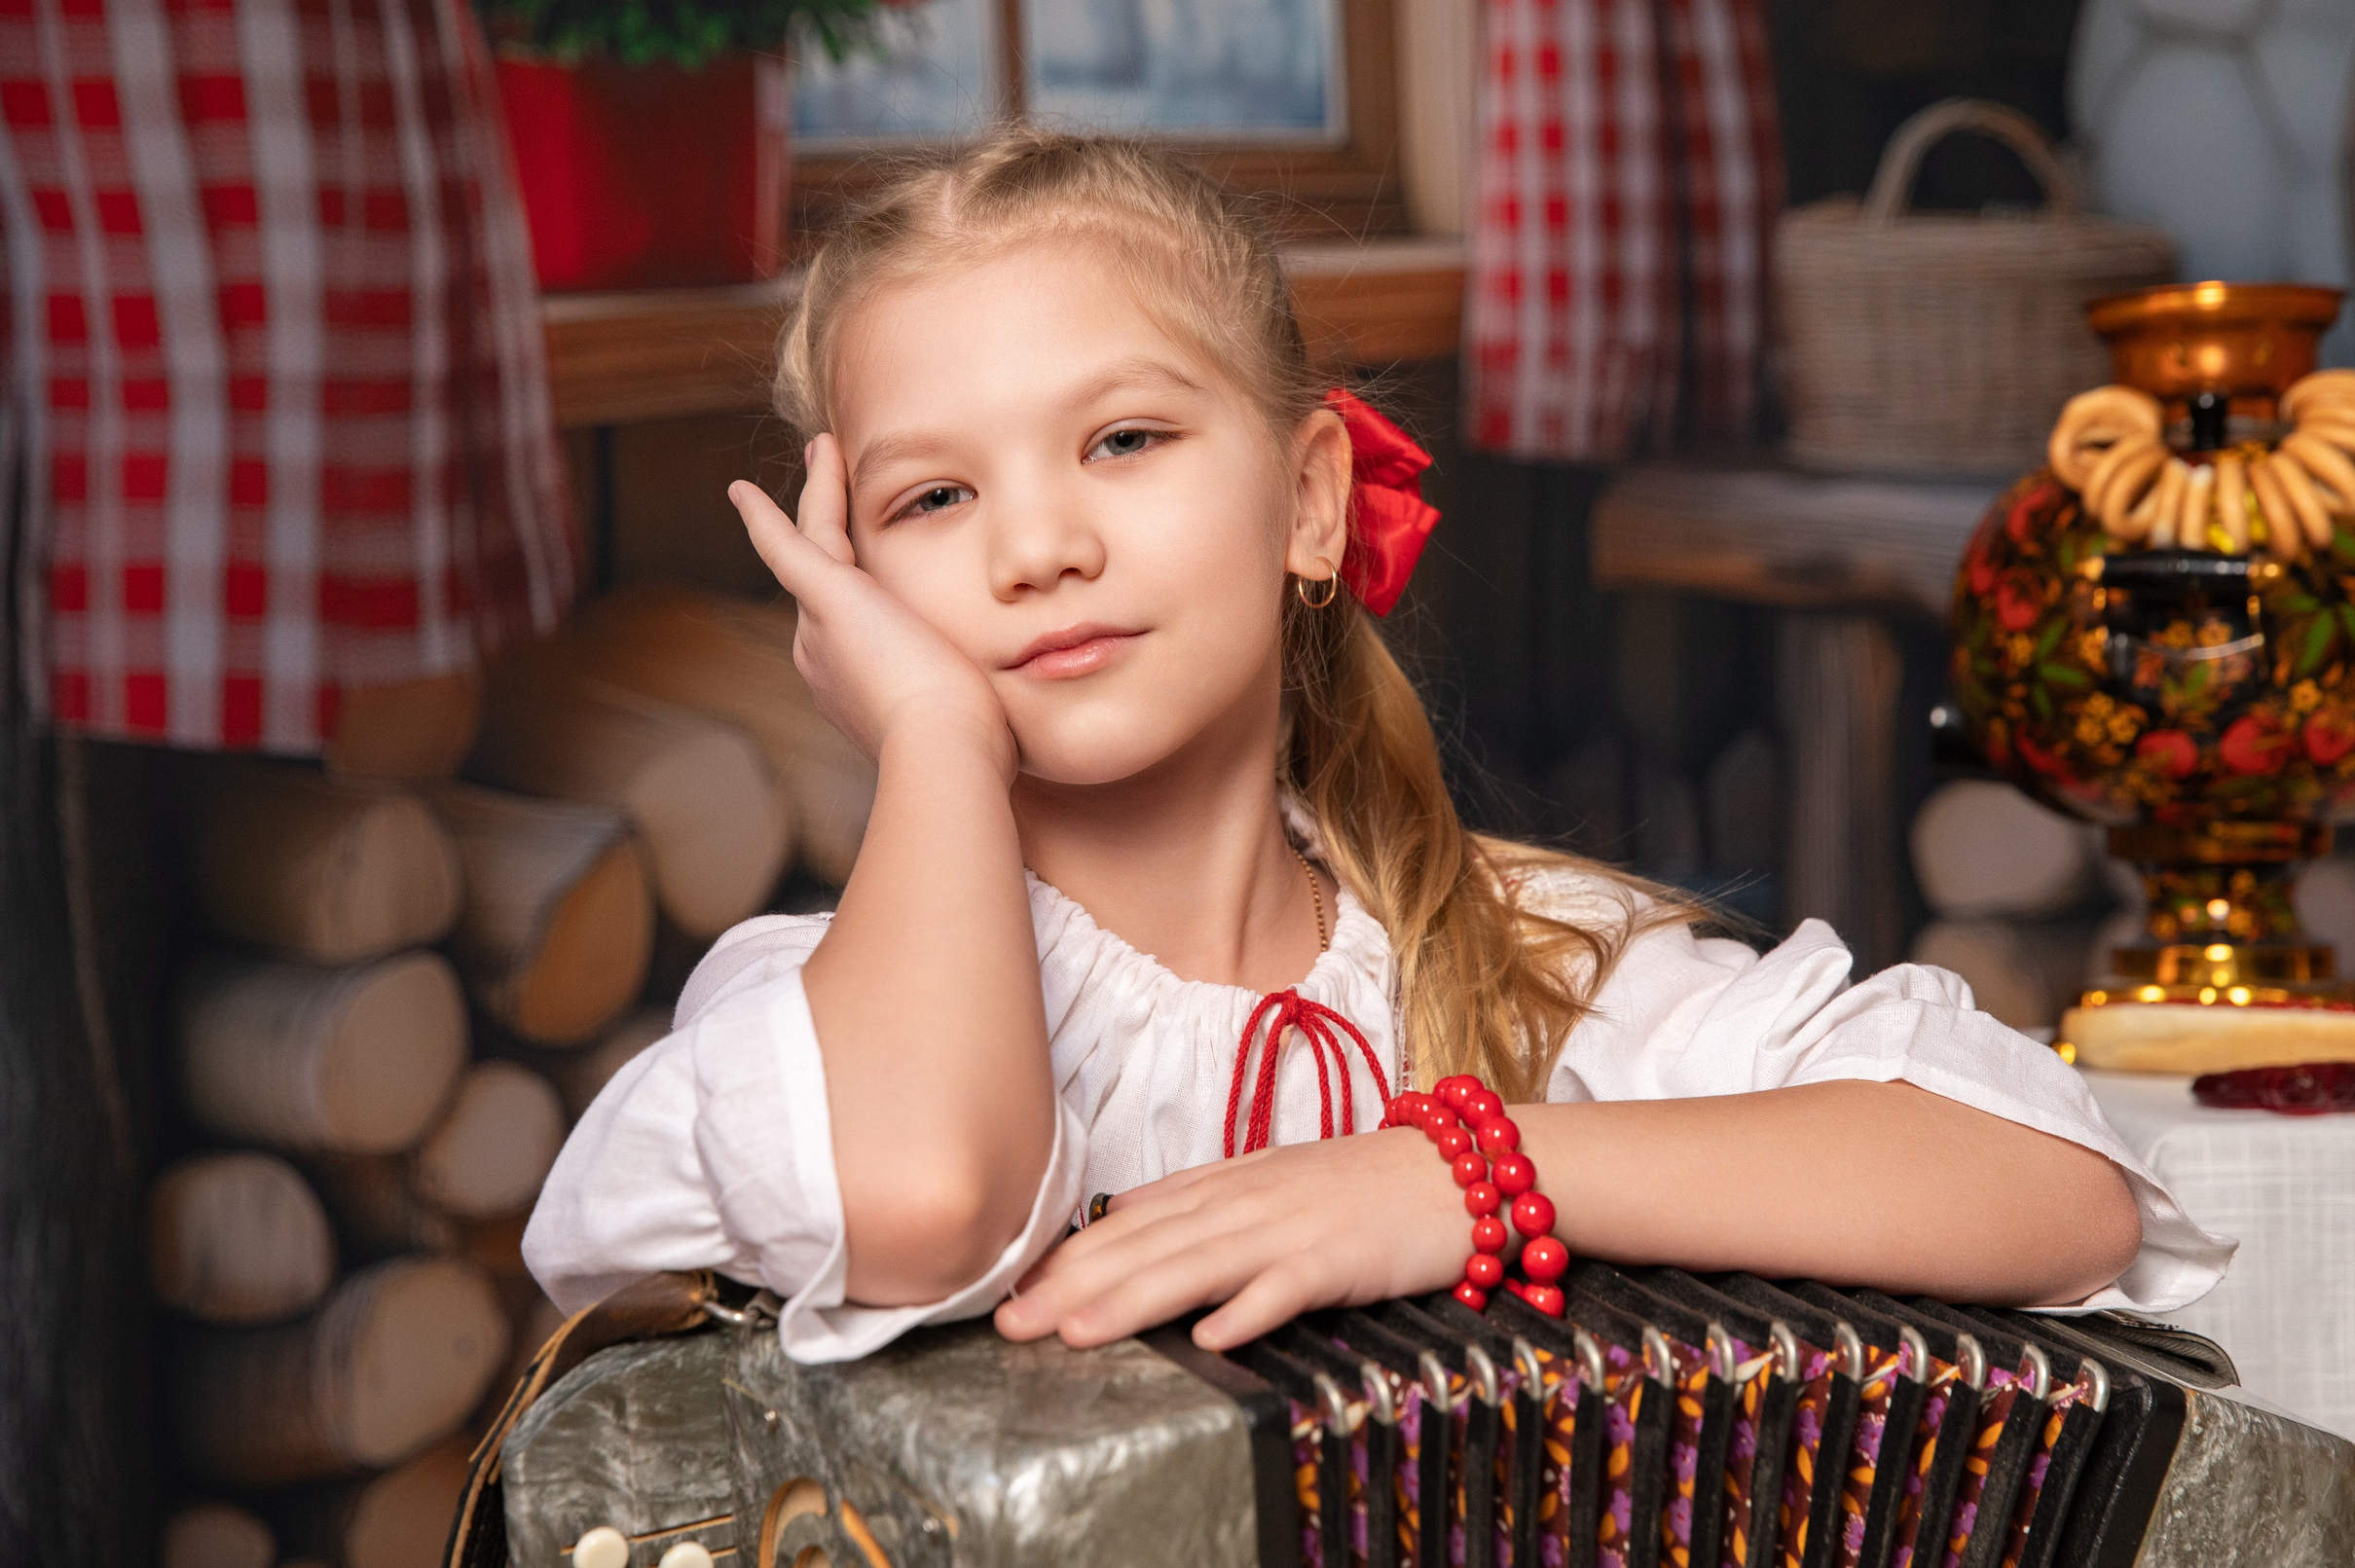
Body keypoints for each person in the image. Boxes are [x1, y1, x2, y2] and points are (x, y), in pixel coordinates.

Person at [522, 128, 2226, 1364]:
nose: (1035, 547)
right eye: (933, 498)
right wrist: (934, 744)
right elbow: (923, 1201)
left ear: (1310, 501)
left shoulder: (1529, 965)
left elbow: (2058, 1191)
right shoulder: (820, 1017)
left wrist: (1457, 1175)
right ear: (854, 586)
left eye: (1123, 439)